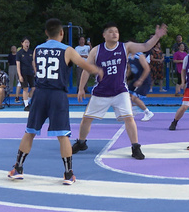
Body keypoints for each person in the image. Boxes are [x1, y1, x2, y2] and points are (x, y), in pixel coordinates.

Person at [8, 18, 104, 184]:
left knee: (30, 131)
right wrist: (99, 71)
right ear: (62, 33)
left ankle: (18, 168)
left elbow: (36, 68)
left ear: (46, 33)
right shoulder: (67, 50)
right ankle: (68, 174)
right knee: (63, 135)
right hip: (57, 95)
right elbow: (85, 65)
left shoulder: (37, 49)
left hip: (40, 93)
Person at [72, 22, 168, 160]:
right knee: (87, 119)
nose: (114, 34)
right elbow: (87, 69)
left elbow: (146, 46)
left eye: (116, 31)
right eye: (111, 31)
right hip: (101, 91)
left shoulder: (126, 47)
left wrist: (157, 37)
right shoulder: (96, 50)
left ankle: (135, 147)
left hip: (120, 91)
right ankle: (81, 142)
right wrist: (81, 88)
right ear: (104, 35)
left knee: (129, 118)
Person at [126, 49, 154, 121]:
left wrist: (140, 80)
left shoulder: (139, 55)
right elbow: (129, 68)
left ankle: (148, 112)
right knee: (126, 94)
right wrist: (125, 78)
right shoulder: (128, 56)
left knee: (134, 98)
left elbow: (147, 69)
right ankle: (132, 109)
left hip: (144, 79)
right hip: (136, 78)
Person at [16, 37, 35, 110]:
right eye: (25, 42)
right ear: (22, 43)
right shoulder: (19, 53)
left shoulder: (31, 52)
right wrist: (20, 75)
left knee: (33, 88)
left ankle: (27, 101)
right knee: (25, 88)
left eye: (28, 42)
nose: (27, 44)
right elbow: (18, 65)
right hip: (23, 72)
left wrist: (35, 71)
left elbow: (33, 62)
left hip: (30, 71)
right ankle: (26, 105)